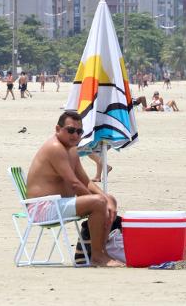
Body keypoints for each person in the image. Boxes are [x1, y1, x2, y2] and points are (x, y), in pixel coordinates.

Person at [26, 111, 121, 266]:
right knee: (99, 203)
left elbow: (85, 181)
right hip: (42, 208)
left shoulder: (71, 150)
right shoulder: (55, 148)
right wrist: (100, 201)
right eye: (70, 130)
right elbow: (74, 184)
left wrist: (106, 198)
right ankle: (97, 256)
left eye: (79, 131)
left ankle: (102, 251)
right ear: (58, 129)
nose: (75, 135)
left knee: (109, 199)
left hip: (58, 204)